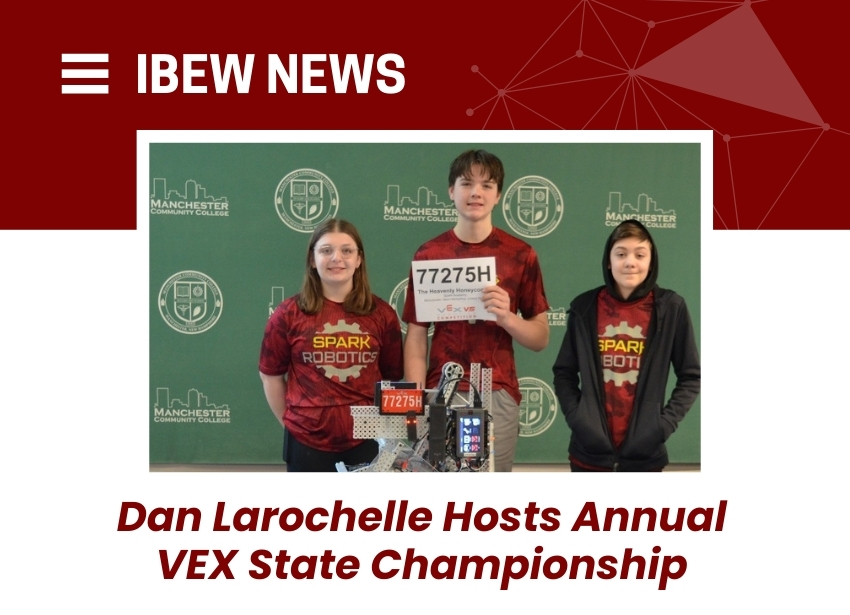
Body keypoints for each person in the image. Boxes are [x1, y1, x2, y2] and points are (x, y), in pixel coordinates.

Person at [402, 149, 550, 472]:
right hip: (440, 390)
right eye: (467, 183)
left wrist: (507, 318)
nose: (476, 193)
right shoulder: (429, 254)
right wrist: (415, 400)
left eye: (487, 185)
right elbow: (416, 335)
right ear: (451, 191)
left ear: (498, 195)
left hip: (498, 390)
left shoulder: (520, 254)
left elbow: (540, 337)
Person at [552, 219, 700, 472]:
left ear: (651, 261)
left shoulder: (671, 308)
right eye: (621, 254)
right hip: (588, 455)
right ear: (609, 261)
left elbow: (691, 376)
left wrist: (661, 426)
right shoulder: (584, 308)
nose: (630, 262)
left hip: (645, 455)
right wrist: (579, 419)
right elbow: (564, 372)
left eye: (640, 254)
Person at [259, 218, 403, 472]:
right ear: (313, 260)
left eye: (347, 250)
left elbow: (391, 378)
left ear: (359, 260)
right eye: (326, 250)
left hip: (368, 441)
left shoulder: (382, 315)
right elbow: (270, 376)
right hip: (305, 443)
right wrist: (293, 424)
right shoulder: (288, 314)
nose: (337, 258)